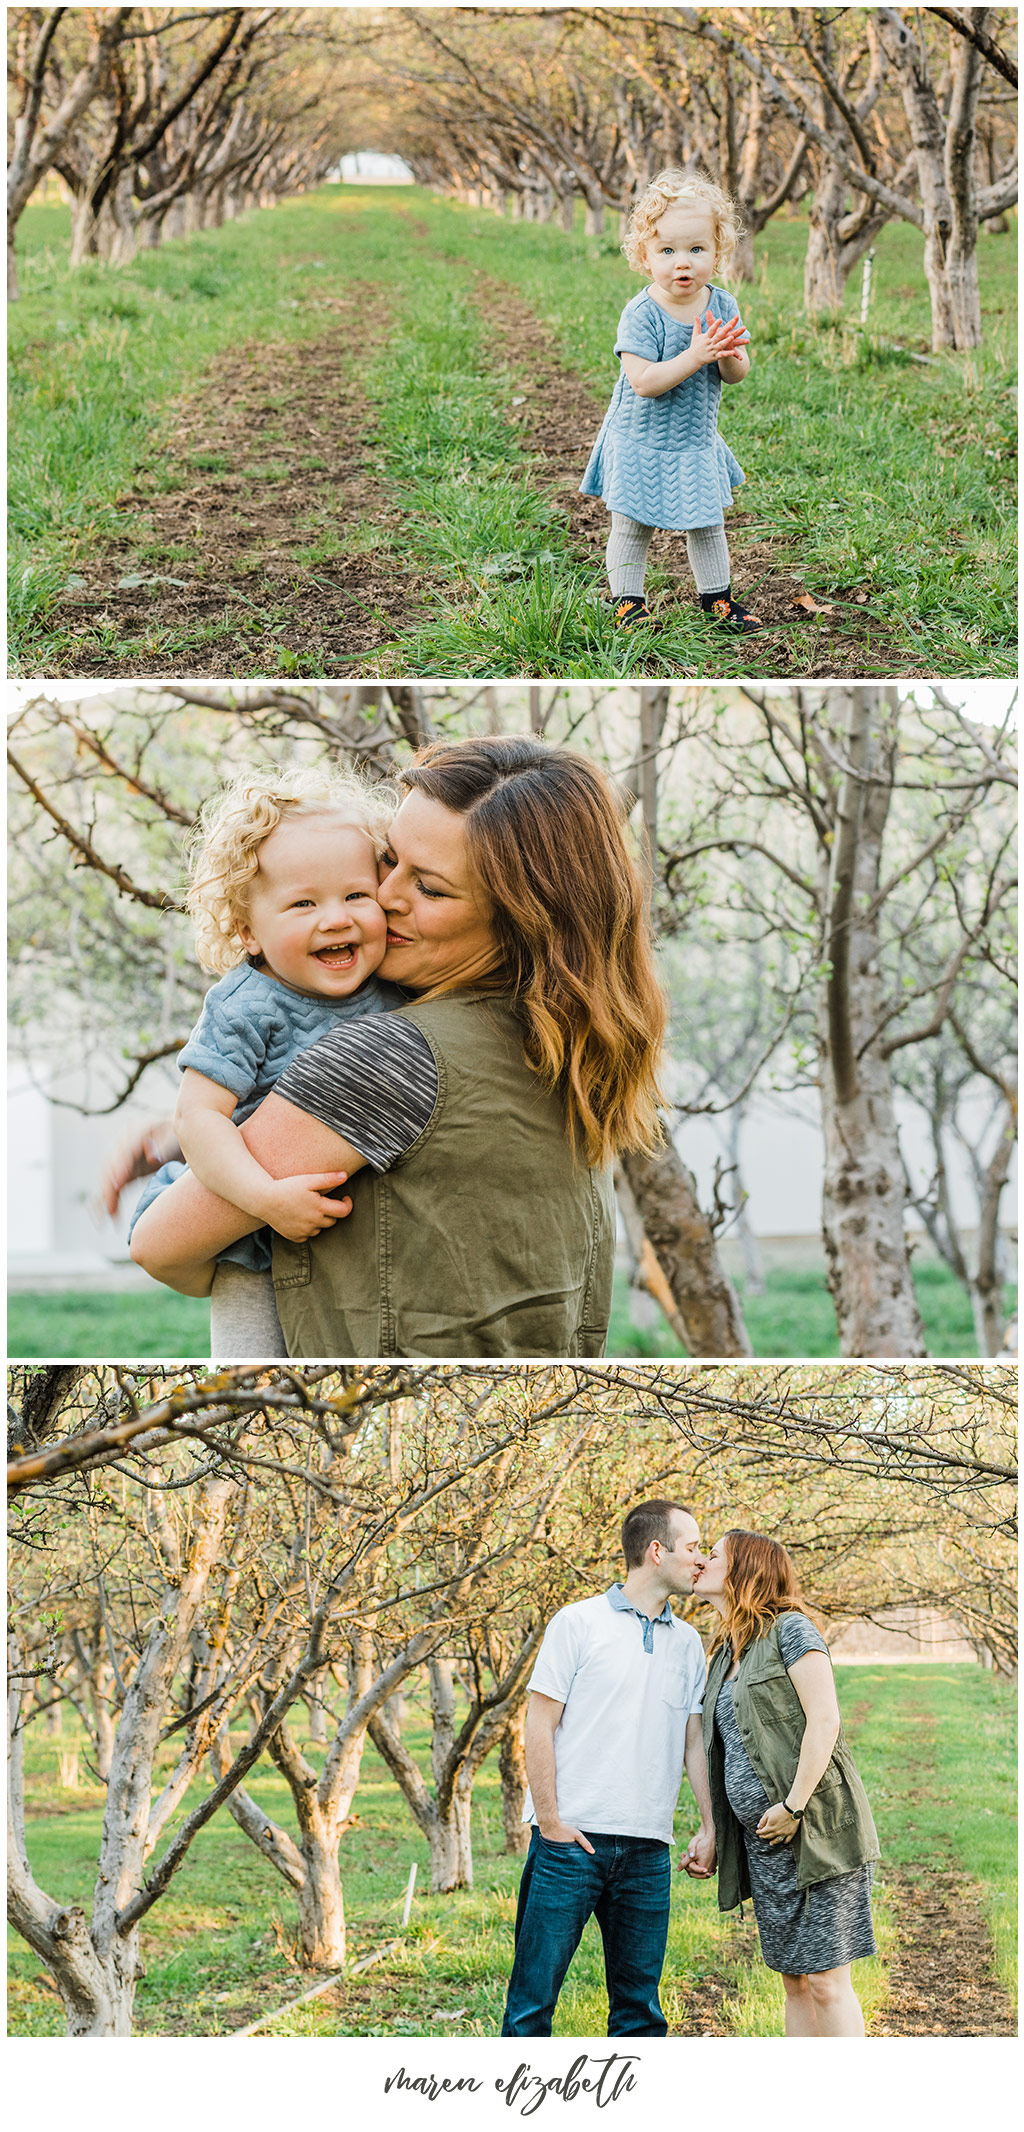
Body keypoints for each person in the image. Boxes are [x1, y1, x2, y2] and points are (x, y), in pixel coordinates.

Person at [120, 734, 667, 1359]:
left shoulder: (388, 1057)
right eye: (388, 860)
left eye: (430, 889)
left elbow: (158, 1245)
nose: (382, 898)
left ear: (523, 917)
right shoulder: (565, 1042)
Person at [126, 767, 403, 1356]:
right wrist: (262, 1199)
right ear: (249, 931)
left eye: (357, 894)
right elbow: (199, 1118)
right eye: (303, 903)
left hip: (346, 1237)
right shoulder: (246, 1004)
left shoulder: (395, 985)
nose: (336, 918)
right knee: (255, 1370)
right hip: (251, 1232)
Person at [501, 1500, 715, 2039]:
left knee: (640, 2015)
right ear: (656, 1551)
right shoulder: (578, 1623)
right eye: (692, 1547)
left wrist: (711, 1827)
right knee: (531, 2008)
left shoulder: (689, 1644)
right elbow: (538, 1725)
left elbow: (693, 1744)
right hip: (571, 1845)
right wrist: (549, 1821)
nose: (701, 1559)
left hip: (647, 1850)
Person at [693, 1529, 880, 2037]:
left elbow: (825, 1720)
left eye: (713, 1555)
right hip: (765, 1842)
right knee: (794, 1981)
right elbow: (721, 1751)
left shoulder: (791, 1631)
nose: (702, 1561)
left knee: (827, 1982)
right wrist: (713, 1830)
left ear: (744, 1569)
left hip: (815, 1829)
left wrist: (793, 1807)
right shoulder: (725, 1655)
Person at [580, 171, 759, 634]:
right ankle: (628, 603)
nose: (684, 263)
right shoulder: (642, 313)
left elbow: (735, 375)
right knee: (632, 525)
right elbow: (643, 381)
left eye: (697, 250)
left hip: (695, 438)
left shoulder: (723, 306)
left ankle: (717, 600)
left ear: (718, 253)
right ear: (645, 256)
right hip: (640, 439)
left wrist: (729, 357)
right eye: (668, 251)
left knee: (707, 524)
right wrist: (695, 354)